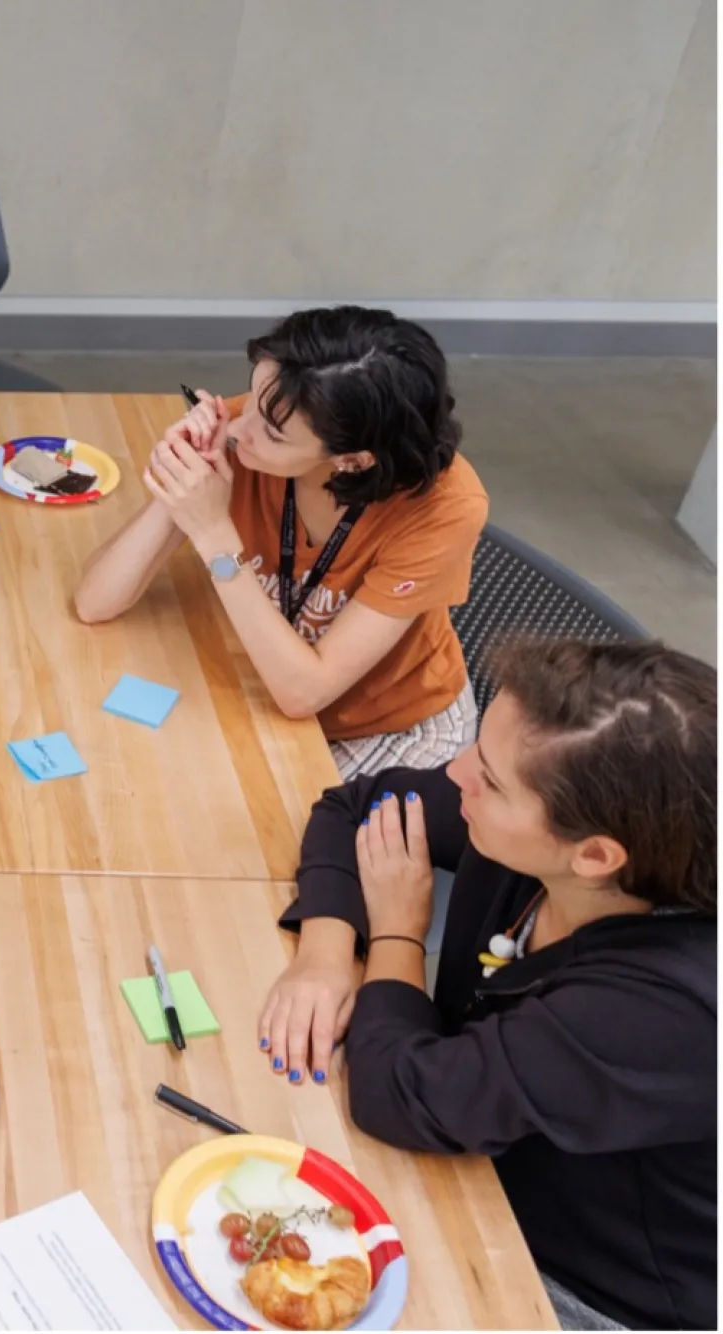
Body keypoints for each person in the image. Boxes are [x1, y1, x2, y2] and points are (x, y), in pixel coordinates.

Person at [260, 638, 714, 1331]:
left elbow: (397, 1093)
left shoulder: (665, 1009)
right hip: (470, 1159)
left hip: (576, 1287)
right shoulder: (536, 824)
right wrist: (325, 949)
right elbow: (355, 807)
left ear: (595, 855)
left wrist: (396, 933)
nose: (456, 770)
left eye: (491, 779)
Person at [74, 306, 487, 778]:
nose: (237, 427)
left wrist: (211, 532)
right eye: (250, 396)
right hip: (270, 685)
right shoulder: (261, 424)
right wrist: (179, 488)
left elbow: (303, 693)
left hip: (386, 727)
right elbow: (95, 602)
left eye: (270, 432)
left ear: (351, 461)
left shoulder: (444, 508)